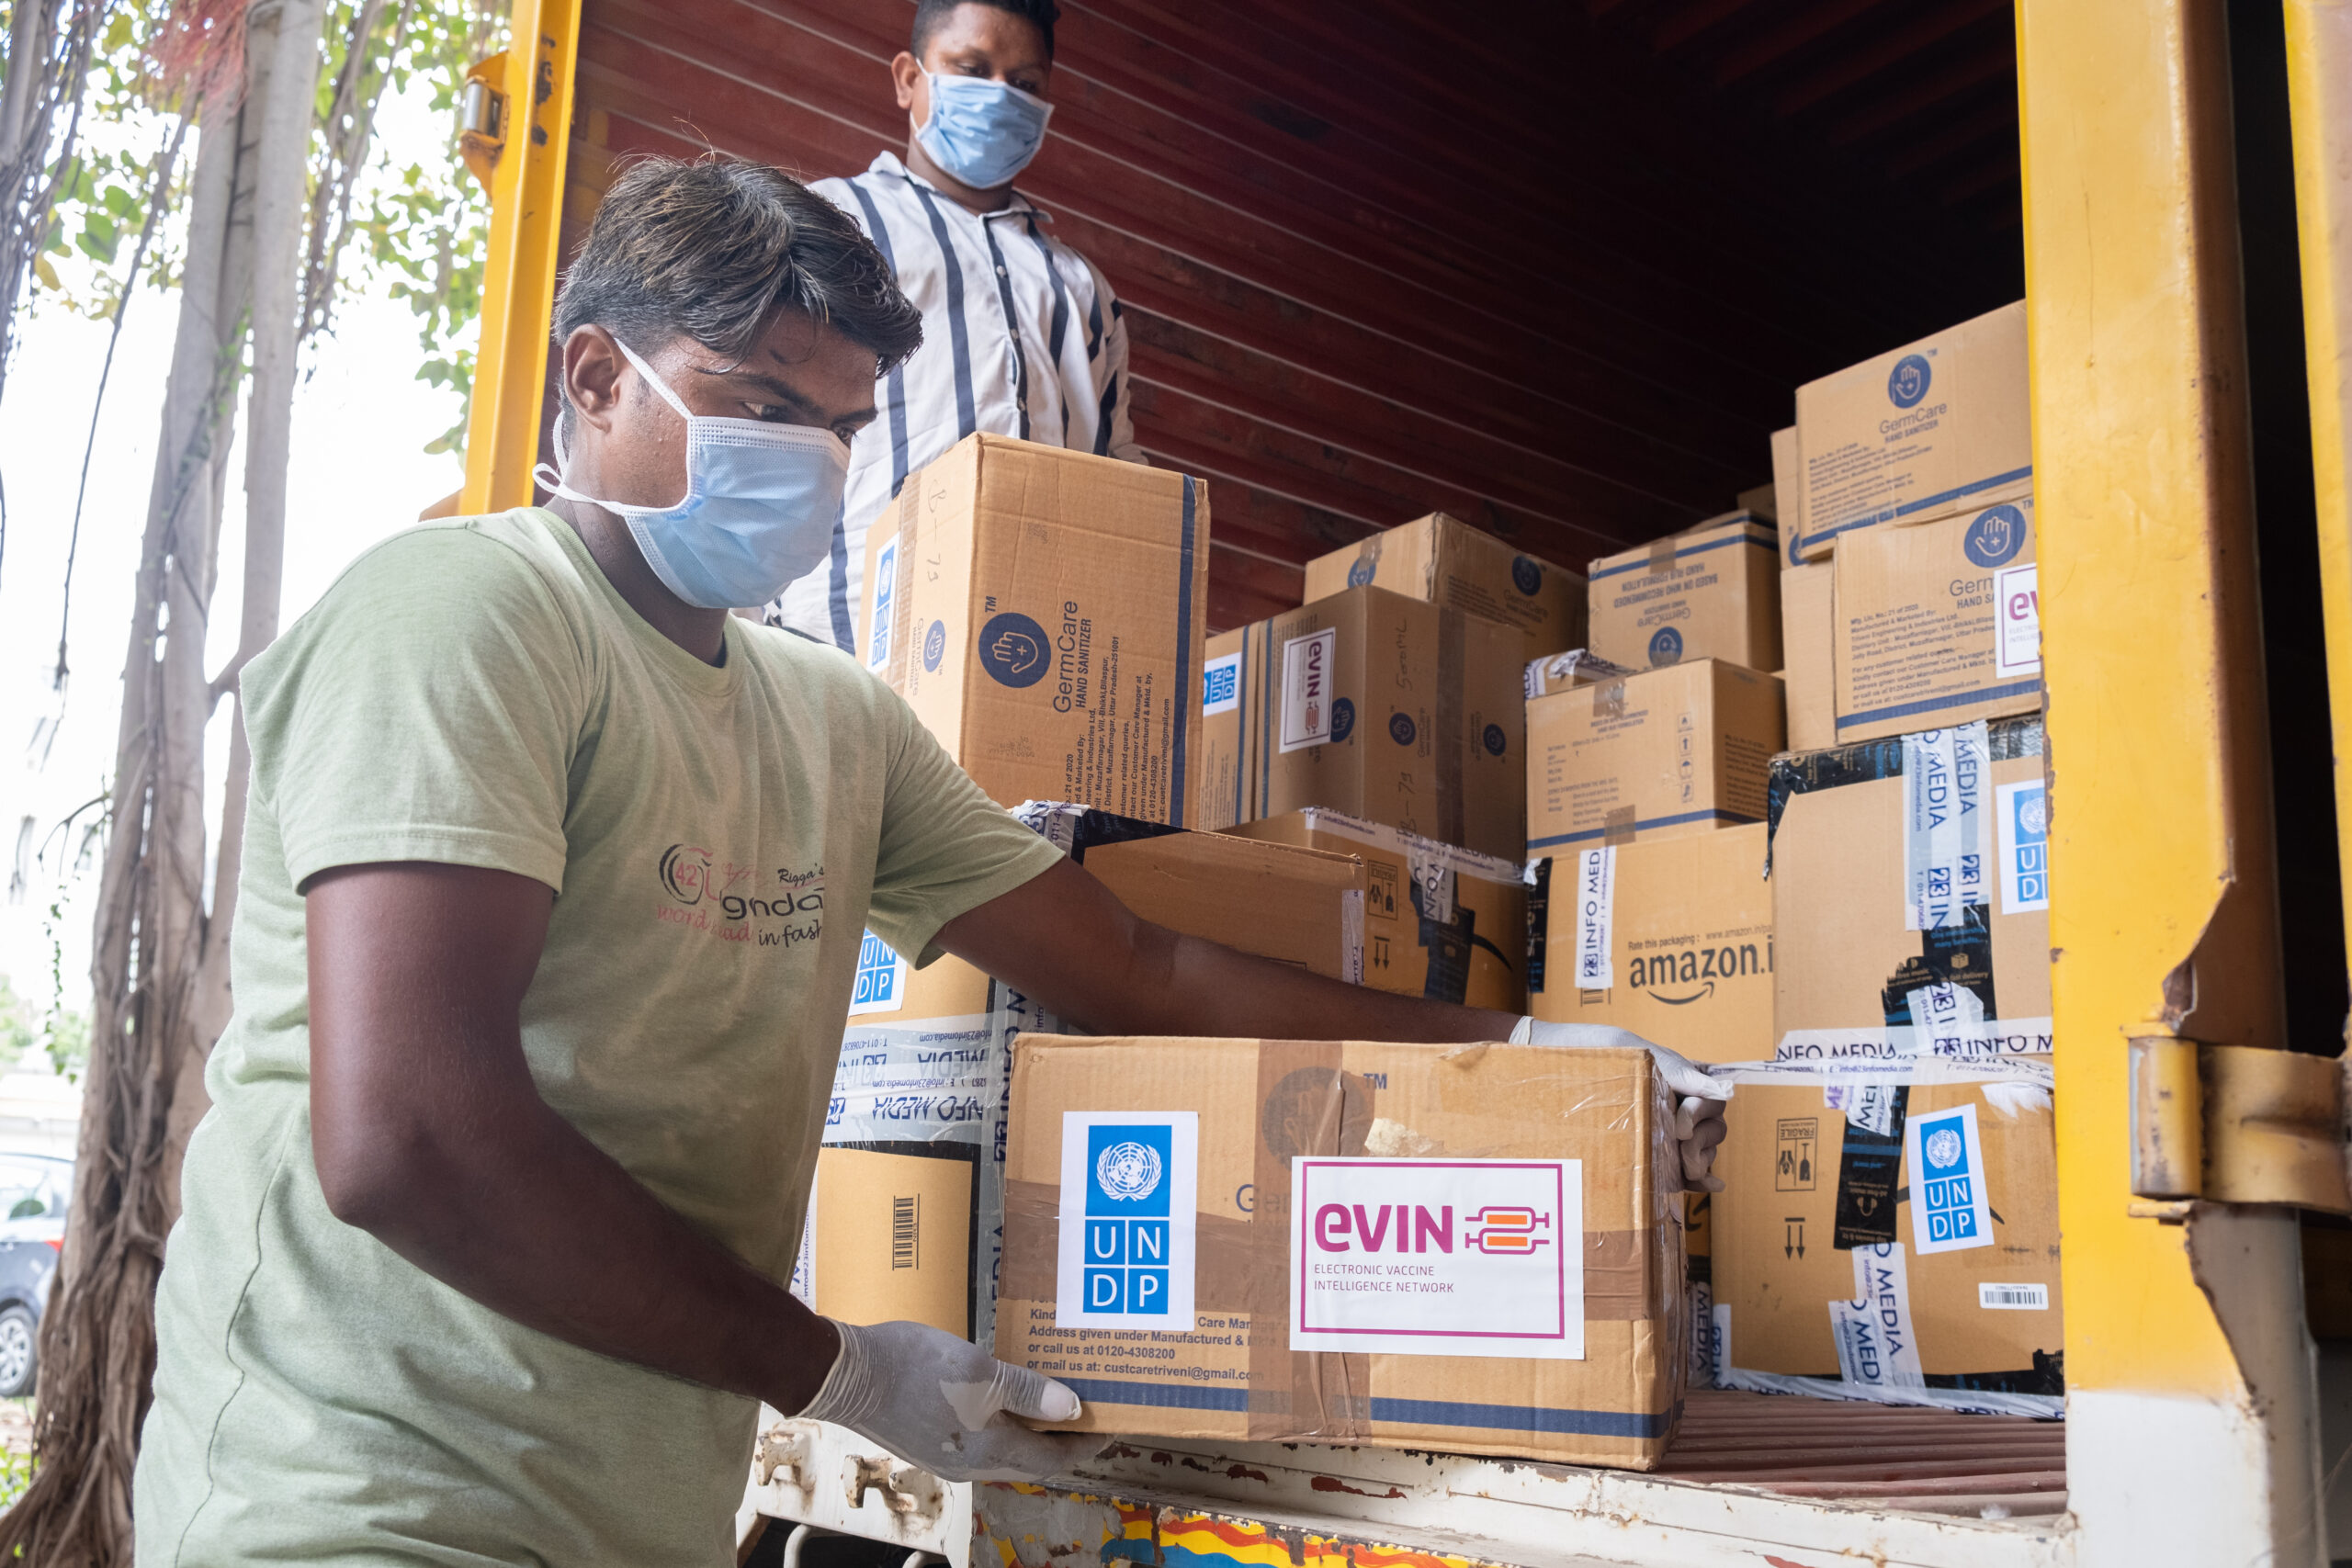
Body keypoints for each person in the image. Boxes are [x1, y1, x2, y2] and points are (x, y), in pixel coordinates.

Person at [132, 155, 1724, 1567]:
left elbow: (1136, 971)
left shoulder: (828, 715)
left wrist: (1527, 1048)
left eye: (837, 428)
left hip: (627, 1511)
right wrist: (832, 1367)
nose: (809, 463)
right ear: (598, 377)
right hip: (360, 1495)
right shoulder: (466, 614)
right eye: (759, 404)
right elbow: (410, 1138)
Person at [768, 0, 1144, 650]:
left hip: (1034, 654)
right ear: (909, 78)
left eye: (1024, 85)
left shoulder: (1080, 287)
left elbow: (1119, 472)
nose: (999, 97)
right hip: (842, 647)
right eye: (971, 69)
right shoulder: (831, 223)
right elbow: (758, 419)